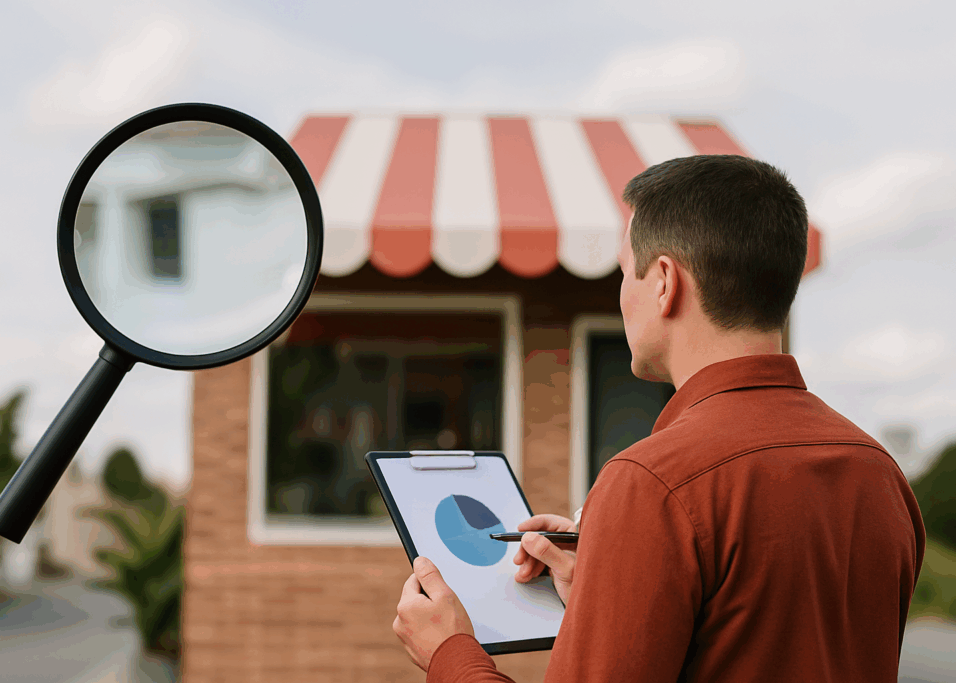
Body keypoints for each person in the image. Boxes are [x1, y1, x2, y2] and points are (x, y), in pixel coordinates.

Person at [391, 154, 925, 682]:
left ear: (665, 281)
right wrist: (614, 582)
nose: (622, 295)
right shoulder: (880, 474)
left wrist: (451, 653)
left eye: (625, 272)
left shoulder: (654, 483)